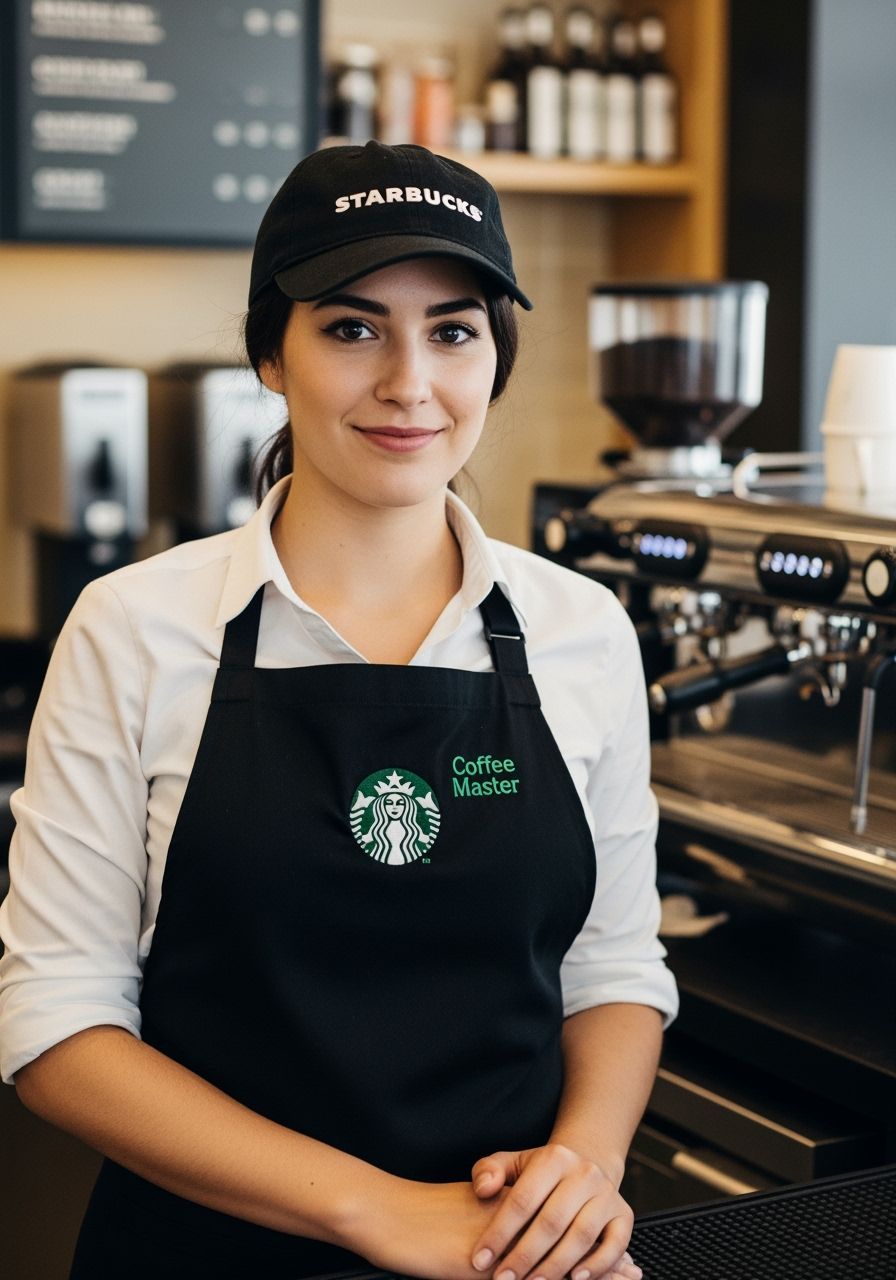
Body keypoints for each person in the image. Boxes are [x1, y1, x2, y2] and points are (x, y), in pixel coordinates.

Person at [0, 141, 677, 1280]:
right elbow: (55, 1024)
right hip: (204, 1253)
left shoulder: (581, 629)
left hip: (506, 1253)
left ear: (493, 358)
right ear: (272, 351)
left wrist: (581, 1167)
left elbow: (610, 970)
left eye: (453, 330)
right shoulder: (131, 626)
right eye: (352, 327)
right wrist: (381, 1211)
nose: (409, 381)